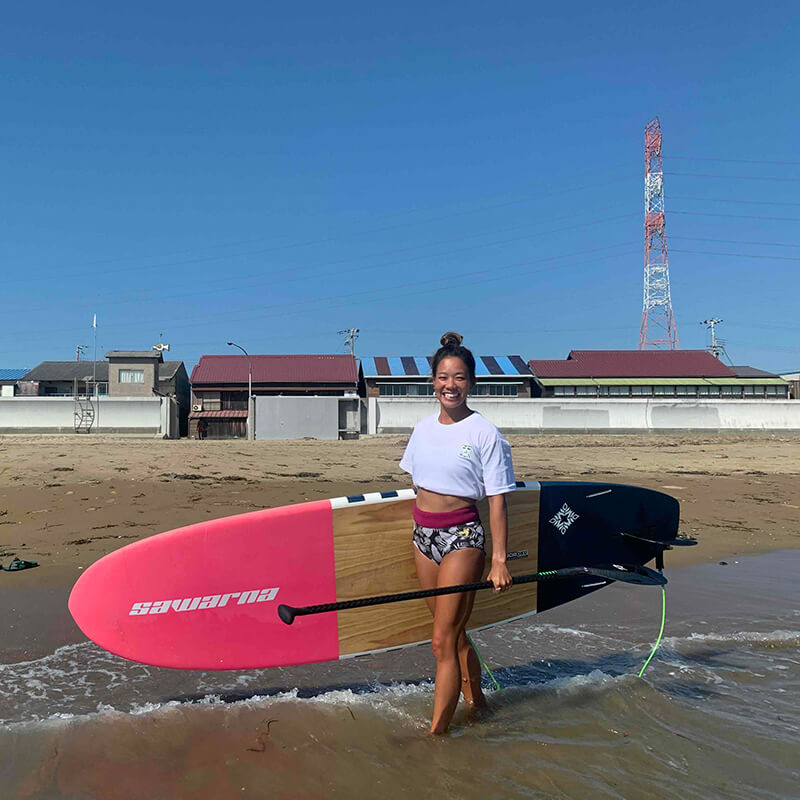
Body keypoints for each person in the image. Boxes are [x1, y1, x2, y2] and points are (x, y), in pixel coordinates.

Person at [399, 332, 516, 734]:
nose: (451, 385)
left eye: (460, 377)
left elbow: (498, 500)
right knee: (454, 634)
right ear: (433, 381)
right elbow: (418, 484)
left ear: (472, 383)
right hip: (423, 538)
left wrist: (498, 561)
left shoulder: (485, 434)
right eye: (444, 377)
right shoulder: (422, 429)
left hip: (463, 538)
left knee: (440, 643)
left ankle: (436, 736)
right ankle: (478, 703)